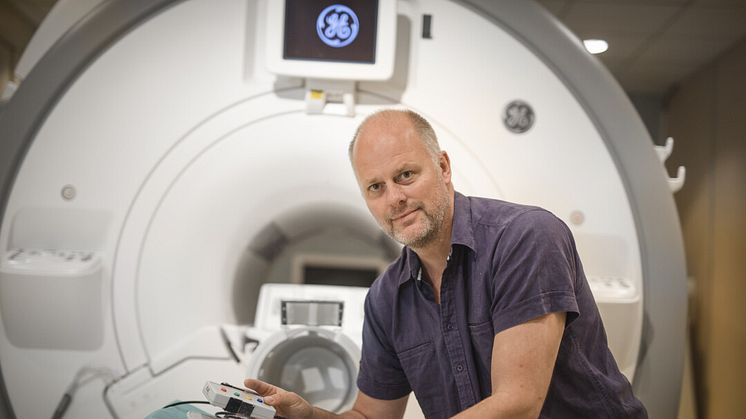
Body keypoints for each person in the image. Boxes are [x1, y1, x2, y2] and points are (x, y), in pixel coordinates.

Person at [244, 109, 647, 418]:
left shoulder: (525, 237)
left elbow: (518, 403)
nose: (394, 198)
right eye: (375, 187)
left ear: (443, 167)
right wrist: (308, 413)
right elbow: (371, 415)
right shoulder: (386, 299)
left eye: (405, 175)